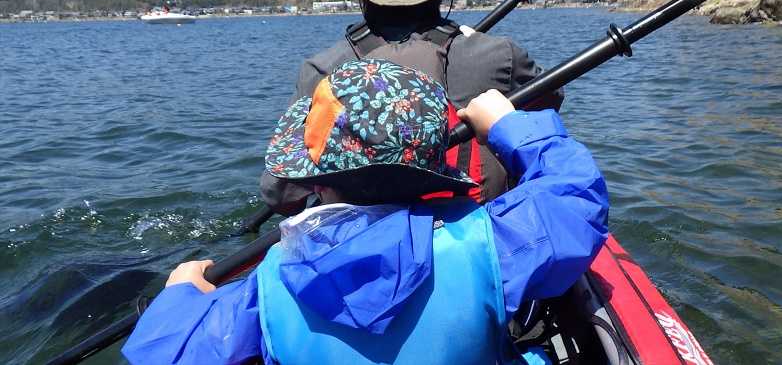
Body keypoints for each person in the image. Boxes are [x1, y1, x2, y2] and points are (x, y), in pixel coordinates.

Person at [122, 59, 608, 365]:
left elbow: (162, 353)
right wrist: (507, 124)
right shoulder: (489, 246)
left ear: (315, 182)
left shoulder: (266, 288)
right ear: (432, 171)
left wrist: (181, 295)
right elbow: (576, 196)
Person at [261, 0, 562, 215]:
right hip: (479, 226)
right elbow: (548, 104)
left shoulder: (322, 71)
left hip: (364, 240)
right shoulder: (499, 56)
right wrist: (475, 47)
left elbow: (281, 194)